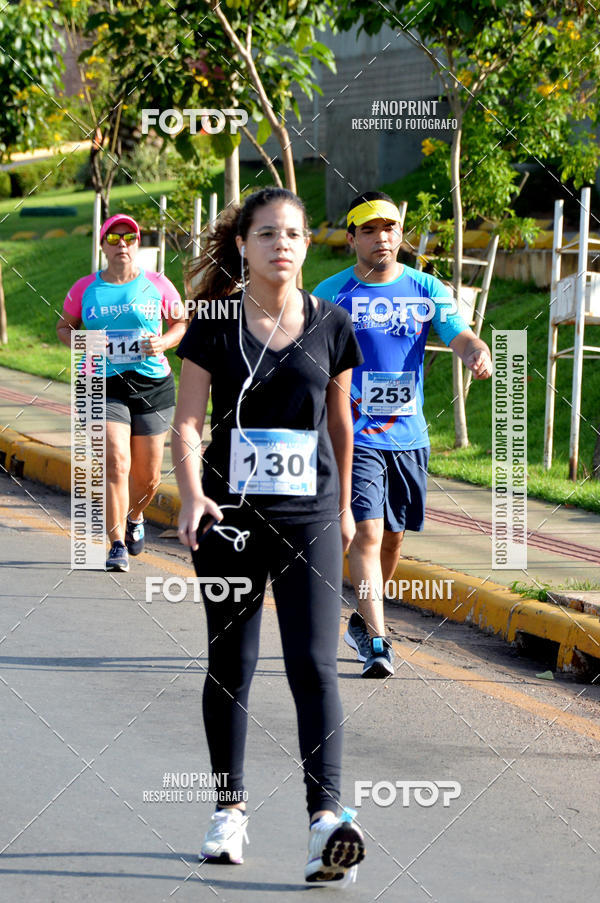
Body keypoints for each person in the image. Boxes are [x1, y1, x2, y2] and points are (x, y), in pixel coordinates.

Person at [172, 187, 366, 883]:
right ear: (244, 245)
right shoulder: (217, 322)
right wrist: (194, 495)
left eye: (293, 233)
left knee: (313, 665)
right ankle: (229, 811)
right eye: (266, 233)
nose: (281, 243)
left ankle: (326, 822)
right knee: (232, 663)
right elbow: (189, 422)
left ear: (308, 244)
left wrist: (345, 506)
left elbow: (341, 425)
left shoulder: (333, 325)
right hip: (229, 519)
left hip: (309, 514)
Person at [313, 191, 493, 679]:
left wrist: (475, 350)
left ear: (400, 233)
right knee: (368, 533)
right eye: (368, 229)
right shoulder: (330, 295)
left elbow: (458, 331)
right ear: (351, 237)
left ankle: (362, 619)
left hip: (408, 437)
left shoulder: (426, 288)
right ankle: (376, 640)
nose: (381, 237)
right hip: (354, 436)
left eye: (389, 227)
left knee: (393, 540)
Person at [57, 213, 187, 572]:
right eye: (112, 239)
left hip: (151, 383)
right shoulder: (85, 288)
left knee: (147, 477)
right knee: (116, 460)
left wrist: (162, 341)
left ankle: (135, 517)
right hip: (101, 382)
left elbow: (181, 322)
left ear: (138, 244)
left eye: (128, 238)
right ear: (102, 246)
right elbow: (64, 328)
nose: (121, 245)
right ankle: (115, 544)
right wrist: (84, 341)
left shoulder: (158, 284)